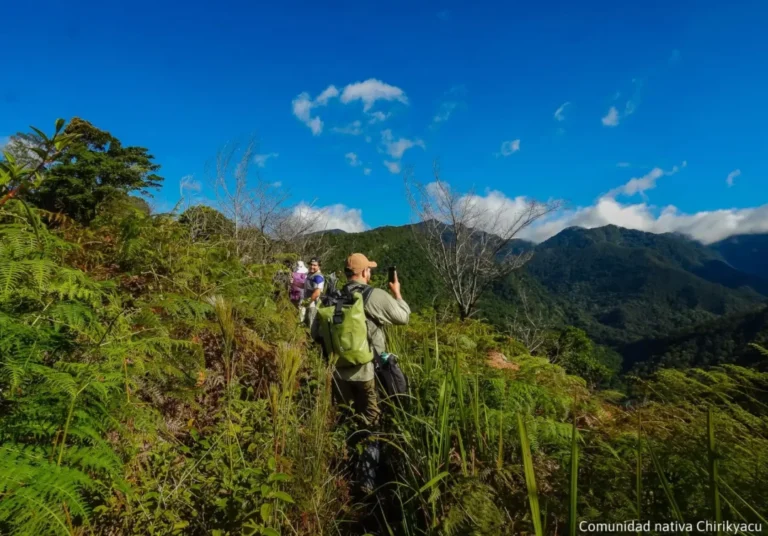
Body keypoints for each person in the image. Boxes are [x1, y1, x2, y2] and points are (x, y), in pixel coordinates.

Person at [314, 253, 410, 495]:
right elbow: (403, 317)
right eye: (370, 270)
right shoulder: (373, 296)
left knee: (346, 418)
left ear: (347, 273)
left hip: (337, 372)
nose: (371, 273)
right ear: (365, 273)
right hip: (367, 372)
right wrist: (397, 292)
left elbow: (315, 333)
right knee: (371, 425)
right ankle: (366, 482)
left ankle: (341, 468)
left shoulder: (330, 297)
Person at [303, 258, 325, 328]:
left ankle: (312, 337)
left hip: (313, 303)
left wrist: (308, 302)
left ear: (319, 266)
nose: (312, 267)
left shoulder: (318, 277)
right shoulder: (310, 274)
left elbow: (317, 292)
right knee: (306, 321)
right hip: (308, 301)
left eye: (314, 265)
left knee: (311, 322)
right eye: (311, 265)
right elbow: (305, 286)